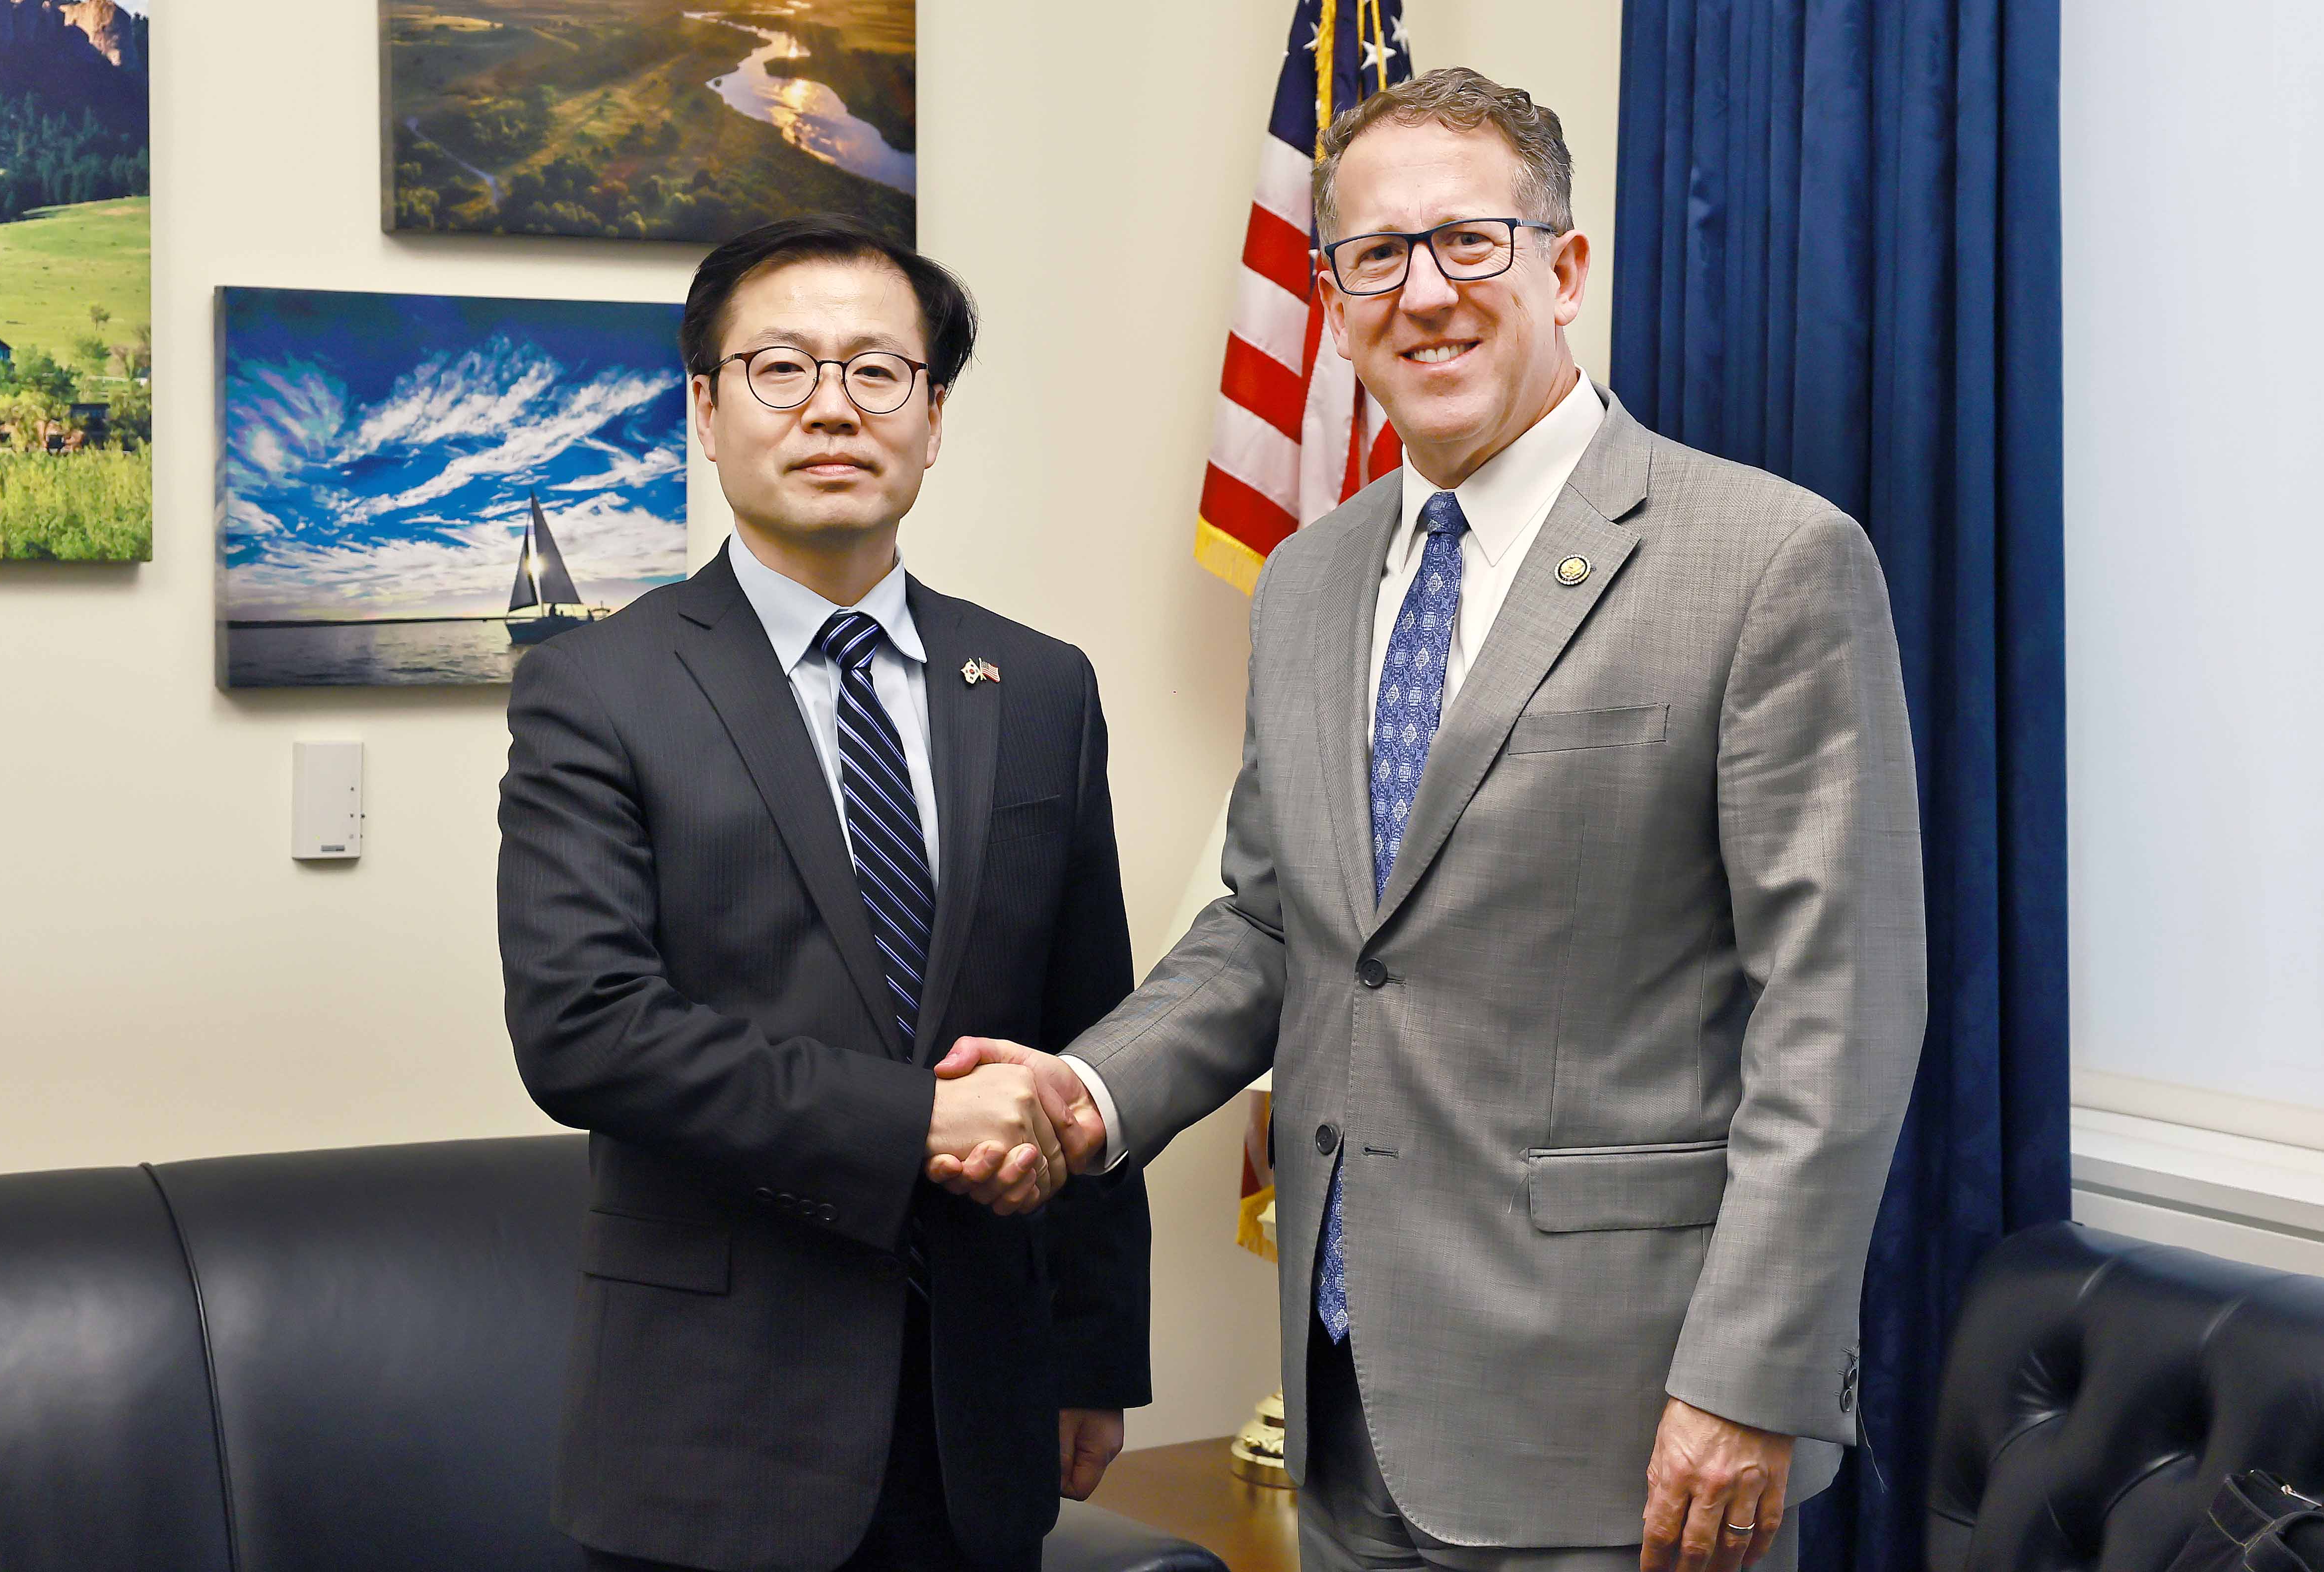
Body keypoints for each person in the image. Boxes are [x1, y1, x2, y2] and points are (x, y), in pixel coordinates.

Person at [934, 67, 1926, 1572]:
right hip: (1349, 1406)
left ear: (1566, 268)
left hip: (1626, 1426)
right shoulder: (1313, 580)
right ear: (1331, 298)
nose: (1425, 293)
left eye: (1470, 241)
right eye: (1376, 256)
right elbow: (1278, 925)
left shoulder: (1769, 560)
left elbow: (1837, 1017)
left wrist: (1748, 1379)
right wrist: (1087, 1097)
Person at [498, 215, 1150, 1572]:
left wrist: (1094, 1352)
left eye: (878, 372)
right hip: (713, 1426)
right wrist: (921, 1117)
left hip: (980, 1411)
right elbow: (585, 1028)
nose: (832, 409)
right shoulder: (600, 690)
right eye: (781, 369)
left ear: (933, 415)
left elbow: (1091, 1027)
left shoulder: (1038, 688)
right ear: (706, 407)